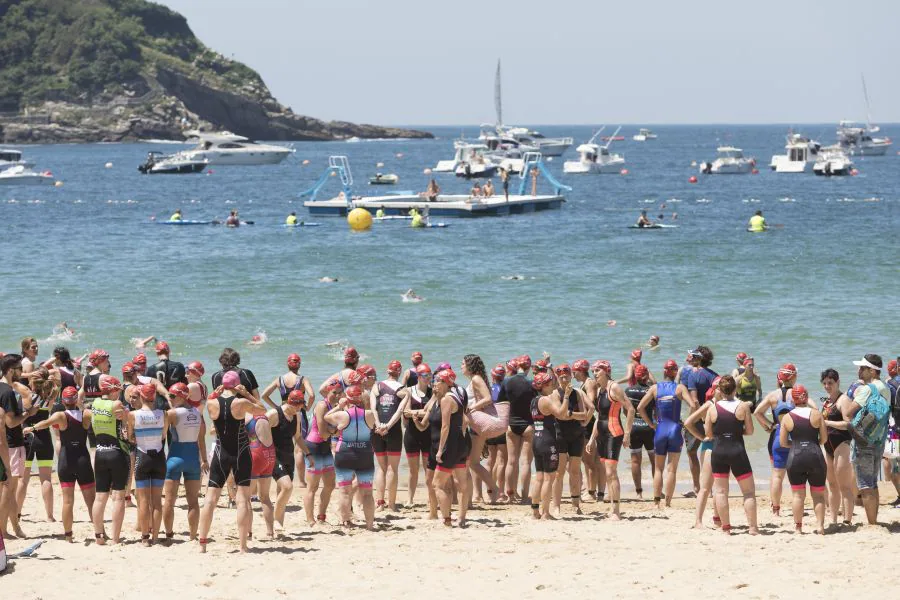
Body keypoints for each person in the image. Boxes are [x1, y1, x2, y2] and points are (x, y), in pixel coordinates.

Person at [198, 371, 267, 553]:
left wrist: (214, 393)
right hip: (241, 453)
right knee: (243, 500)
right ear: (237, 385)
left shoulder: (212, 404)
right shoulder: (242, 403)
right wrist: (246, 394)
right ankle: (243, 546)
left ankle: (202, 544)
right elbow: (262, 410)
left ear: (222, 385)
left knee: (210, 499)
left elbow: (207, 406)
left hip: (221, 453)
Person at [22, 384, 98, 542]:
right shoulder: (86, 414)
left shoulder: (60, 415)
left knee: (67, 501)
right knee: (91, 500)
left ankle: (69, 536)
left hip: (66, 460)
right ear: (76, 399)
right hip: (83, 459)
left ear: (63, 401)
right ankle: (99, 534)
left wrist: (31, 428)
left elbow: (45, 423)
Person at [704, 376, 758, 534]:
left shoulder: (712, 408)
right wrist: (735, 431)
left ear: (719, 391)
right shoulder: (743, 406)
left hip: (719, 450)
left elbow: (708, 433)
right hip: (737, 449)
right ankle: (753, 528)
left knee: (720, 491)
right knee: (748, 492)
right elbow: (750, 431)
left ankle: (726, 528)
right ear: (735, 389)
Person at [638, 359, 691, 508]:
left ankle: (656, 502)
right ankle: (667, 503)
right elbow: (693, 405)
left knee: (658, 469)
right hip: (674, 429)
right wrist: (687, 422)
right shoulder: (680, 388)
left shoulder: (655, 388)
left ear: (663, 372)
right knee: (672, 469)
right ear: (675, 372)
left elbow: (641, 407)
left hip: (660, 429)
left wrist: (651, 424)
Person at [846, 354, 891, 526]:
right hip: (879, 439)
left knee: (865, 484)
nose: (859, 371)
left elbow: (850, 412)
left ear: (872, 370)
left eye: (862, 368)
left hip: (863, 441)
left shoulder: (867, 389)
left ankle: (872, 523)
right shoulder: (885, 388)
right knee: (873, 481)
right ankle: (874, 520)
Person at [586, 360, 634, 520]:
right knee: (607, 473)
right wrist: (592, 439)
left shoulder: (614, 387)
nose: (595, 373)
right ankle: (613, 506)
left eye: (598, 370)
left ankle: (616, 510)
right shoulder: (600, 389)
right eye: (593, 371)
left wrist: (627, 434)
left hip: (614, 433)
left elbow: (631, 409)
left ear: (606, 371)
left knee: (611, 472)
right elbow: (599, 416)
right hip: (601, 433)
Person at [324, 384, 377, 529]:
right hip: (365, 453)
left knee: (344, 491)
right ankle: (370, 524)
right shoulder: (370, 414)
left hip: (345, 453)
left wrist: (340, 406)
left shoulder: (342, 415)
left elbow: (326, 417)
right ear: (360, 398)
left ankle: (345, 521)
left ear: (347, 398)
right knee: (367, 492)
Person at [422, 369, 469, 526]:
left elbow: (445, 426)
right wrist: (461, 438)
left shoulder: (446, 400)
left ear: (445, 383)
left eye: (437, 381)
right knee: (462, 483)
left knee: (437, 484)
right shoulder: (458, 396)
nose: (435, 383)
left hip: (449, 445)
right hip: (460, 443)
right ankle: (461, 518)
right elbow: (465, 421)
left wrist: (441, 449)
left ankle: (447, 520)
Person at [779, 385, 828, 534]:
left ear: (793, 400)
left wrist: (795, 445)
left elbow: (782, 443)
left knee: (798, 495)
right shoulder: (816, 414)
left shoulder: (787, 417)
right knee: (818, 495)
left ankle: (798, 528)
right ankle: (820, 527)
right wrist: (813, 444)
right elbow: (824, 439)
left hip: (796, 456)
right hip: (815, 455)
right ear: (806, 397)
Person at [88, 375, 131, 545]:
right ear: (113, 390)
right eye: (118, 391)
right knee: (118, 497)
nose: (119, 394)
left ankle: (98, 536)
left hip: (100, 453)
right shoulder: (116, 405)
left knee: (100, 498)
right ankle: (115, 538)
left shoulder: (95, 404)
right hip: (116, 452)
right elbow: (125, 424)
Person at [162, 383, 207, 542]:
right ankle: (193, 536)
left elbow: (162, 435)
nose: (170, 399)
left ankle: (168, 534)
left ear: (181, 396)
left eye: (172, 396)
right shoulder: (197, 413)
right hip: (193, 459)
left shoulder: (172, 413)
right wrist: (205, 460)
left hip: (175, 457)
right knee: (193, 500)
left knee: (169, 500)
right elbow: (201, 438)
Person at [1, 354, 38, 538]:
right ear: (10, 370)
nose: (21, 372)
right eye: (18, 369)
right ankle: (7, 530)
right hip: (12, 444)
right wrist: (28, 414)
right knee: (10, 489)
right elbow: (11, 422)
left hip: (5, 443)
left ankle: (13, 528)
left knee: (6, 488)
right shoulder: (7, 392)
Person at [753, 363, 797, 516]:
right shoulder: (797, 394)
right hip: (794, 437)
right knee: (795, 475)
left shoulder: (772, 396)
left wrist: (769, 425)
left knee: (777, 474)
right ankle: (796, 505)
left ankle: (776, 509)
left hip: (777, 436)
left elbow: (757, 412)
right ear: (794, 377)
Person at [462, 354, 507, 504]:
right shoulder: (476, 379)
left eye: (463, 363)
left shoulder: (476, 379)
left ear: (470, 365)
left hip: (478, 423)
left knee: (472, 462)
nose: (461, 366)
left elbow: (488, 398)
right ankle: (492, 489)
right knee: (473, 462)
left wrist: (470, 409)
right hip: (477, 423)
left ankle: (491, 489)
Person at [130, 382, 168, 546]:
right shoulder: (163, 414)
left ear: (141, 397)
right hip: (159, 457)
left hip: (143, 456)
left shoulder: (134, 415)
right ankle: (156, 537)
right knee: (157, 500)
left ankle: (145, 537)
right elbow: (163, 435)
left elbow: (130, 437)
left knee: (143, 501)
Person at [548, 364, 589, 516]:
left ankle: (575, 504)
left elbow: (584, 414)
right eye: (561, 376)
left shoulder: (577, 393)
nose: (564, 379)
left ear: (571, 376)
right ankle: (557, 506)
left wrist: (570, 414)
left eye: (567, 376)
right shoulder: (554, 394)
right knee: (559, 473)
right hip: (560, 435)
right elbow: (560, 415)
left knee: (575, 472)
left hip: (576, 435)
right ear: (557, 378)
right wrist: (572, 413)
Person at [18, 366, 58, 524]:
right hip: (44, 438)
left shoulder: (26, 395)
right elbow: (56, 377)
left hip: (28, 437)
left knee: (23, 479)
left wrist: (27, 375)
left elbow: (14, 382)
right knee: (46, 478)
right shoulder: (51, 395)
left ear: (32, 381)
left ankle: (18, 514)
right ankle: (49, 516)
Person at [268, 389, 309, 532]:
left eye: (301, 406)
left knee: (282, 492)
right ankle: (274, 522)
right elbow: (257, 429)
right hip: (273, 456)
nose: (299, 409)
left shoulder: (296, 416)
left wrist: (308, 454)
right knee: (288, 487)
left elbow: (297, 437)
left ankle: (276, 525)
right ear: (290, 403)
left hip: (288, 457)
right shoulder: (274, 414)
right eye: (297, 406)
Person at [819, 368, 854, 526]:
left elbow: (848, 424)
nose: (827, 386)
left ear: (838, 382)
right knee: (832, 484)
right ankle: (833, 519)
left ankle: (847, 520)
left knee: (844, 485)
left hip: (842, 444)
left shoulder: (843, 400)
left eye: (830, 383)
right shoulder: (826, 402)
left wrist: (826, 423)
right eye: (825, 383)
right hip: (827, 446)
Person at [304, 377, 339, 525]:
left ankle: (321, 515)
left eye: (339, 393)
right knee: (313, 487)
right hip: (314, 447)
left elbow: (334, 430)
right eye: (334, 393)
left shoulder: (334, 406)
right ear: (327, 392)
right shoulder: (321, 406)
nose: (337, 396)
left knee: (330, 484)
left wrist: (333, 431)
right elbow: (323, 433)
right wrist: (334, 431)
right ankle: (310, 518)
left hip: (325, 447)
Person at [371, 361, 404, 510]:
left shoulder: (376, 386)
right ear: (399, 372)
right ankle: (391, 505)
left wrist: (379, 425)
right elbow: (399, 412)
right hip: (393, 431)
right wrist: (388, 427)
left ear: (387, 371)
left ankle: (380, 503)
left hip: (376, 430)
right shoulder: (404, 390)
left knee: (381, 468)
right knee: (392, 469)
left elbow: (373, 409)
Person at [501, 356, 534, 503]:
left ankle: (510, 495)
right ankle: (525, 496)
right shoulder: (531, 383)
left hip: (511, 424)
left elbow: (501, 402)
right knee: (526, 462)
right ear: (528, 368)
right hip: (528, 424)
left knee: (511, 461)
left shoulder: (507, 381)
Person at [399, 363, 432, 507]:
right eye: (425, 376)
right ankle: (410, 499)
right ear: (418, 376)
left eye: (429, 376)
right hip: (411, 434)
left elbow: (433, 412)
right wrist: (422, 412)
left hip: (428, 434)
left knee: (428, 469)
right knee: (413, 470)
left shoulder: (433, 392)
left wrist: (415, 412)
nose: (428, 378)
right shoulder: (409, 391)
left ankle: (431, 498)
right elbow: (405, 412)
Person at [686, 346, 717, 496]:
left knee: (692, 452)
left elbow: (694, 401)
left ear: (698, 358)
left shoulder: (694, 375)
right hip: (713, 417)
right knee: (709, 452)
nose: (690, 359)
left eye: (693, 356)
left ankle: (698, 487)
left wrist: (700, 418)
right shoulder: (714, 375)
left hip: (698, 418)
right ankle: (710, 488)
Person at [245, 400, 276, 538]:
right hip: (270, 454)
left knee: (246, 498)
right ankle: (270, 532)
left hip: (255, 453)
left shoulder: (246, 416)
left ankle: (248, 532)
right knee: (265, 497)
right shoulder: (264, 415)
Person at [625, 364, 655, 498]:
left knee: (635, 461)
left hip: (634, 428)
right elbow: (656, 411)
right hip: (650, 428)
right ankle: (657, 490)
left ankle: (639, 492)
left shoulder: (628, 391)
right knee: (655, 461)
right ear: (646, 375)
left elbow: (626, 411)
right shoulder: (651, 390)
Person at [144, 340, 187, 411]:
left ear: (157, 353)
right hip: (176, 403)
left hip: (159, 405)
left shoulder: (150, 369)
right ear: (169, 352)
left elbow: (147, 391)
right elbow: (185, 387)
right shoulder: (179, 366)